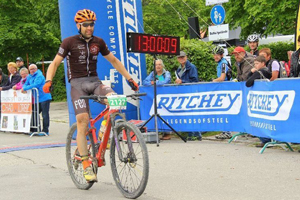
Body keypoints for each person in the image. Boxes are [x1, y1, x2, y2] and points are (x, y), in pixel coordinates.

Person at [42, 9, 138, 182]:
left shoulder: (98, 42)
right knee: (83, 121)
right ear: (78, 25)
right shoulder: (69, 42)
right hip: (77, 85)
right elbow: (55, 63)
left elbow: (114, 61)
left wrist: (129, 78)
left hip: (94, 82)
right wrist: (48, 80)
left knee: (115, 100)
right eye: (85, 25)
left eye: (91, 24)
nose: (89, 28)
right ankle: (86, 164)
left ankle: (102, 132)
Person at [245, 56, 272, 147]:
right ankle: (265, 139)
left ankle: (265, 140)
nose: (255, 66)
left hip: (261, 98)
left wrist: (251, 72)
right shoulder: (267, 71)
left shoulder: (261, 72)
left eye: (257, 63)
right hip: (264, 97)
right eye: (254, 64)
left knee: (260, 118)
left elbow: (248, 83)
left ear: (263, 63)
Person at [22, 64, 52, 136]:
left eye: (33, 69)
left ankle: (45, 130)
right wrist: (24, 87)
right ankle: (36, 129)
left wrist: (25, 88)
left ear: (36, 69)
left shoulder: (39, 76)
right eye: (30, 69)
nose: (32, 70)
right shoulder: (29, 76)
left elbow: (36, 85)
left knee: (44, 114)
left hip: (44, 97)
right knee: (35, 113)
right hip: (36, 98)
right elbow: (25, 84)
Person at [211, 46, 232, 139]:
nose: (215, 57)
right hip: (224, 88)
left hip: (226, 88)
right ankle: (225, 131)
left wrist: (213, 81)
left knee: (225, 110)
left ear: (222, 55)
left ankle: (227, 132)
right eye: (214, 55)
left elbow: (222, 78)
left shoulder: (223, 63)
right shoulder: (219, 63)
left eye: (217, 55)